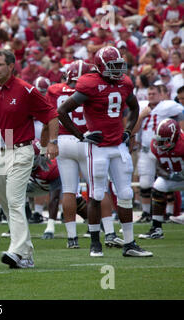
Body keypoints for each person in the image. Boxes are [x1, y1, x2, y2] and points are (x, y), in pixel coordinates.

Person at [0, 49, 59, 269]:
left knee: (15, 200)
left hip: (21, 150)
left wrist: (53, 142)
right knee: (7, 203)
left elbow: (51, 115)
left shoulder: (27, 90)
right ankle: (26, 253)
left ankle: (16, 251)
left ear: (11, 66)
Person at [58, 46, 153, 257]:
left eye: (120, 65)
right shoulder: (89, 84)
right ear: (101, 67)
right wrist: (81, 135)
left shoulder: (125, 83)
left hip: (118, 146)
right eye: (113, 66)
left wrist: (128, 131)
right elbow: (62, 111)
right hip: (98, 148)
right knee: (97, 194)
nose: (118, 70)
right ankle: (95, 243)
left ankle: (129, 244)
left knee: (126, 193)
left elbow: (135, 107)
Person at [48, 60, 124, 249]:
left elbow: (51, 116)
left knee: (68, 190)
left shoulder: (55, 90)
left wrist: (51, 141)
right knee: (98, 188)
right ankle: (110, 232)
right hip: (88, 139)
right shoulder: (92, 87)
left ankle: (72, 238)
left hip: (65, 141)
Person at [132, 85, 184, 223]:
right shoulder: (142, 106)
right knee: (145, 182)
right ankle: (146, 212)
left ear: (162, 94)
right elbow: (134, 130)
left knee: (168, 179)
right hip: (147, 148)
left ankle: (169, 213)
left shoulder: (169, 106)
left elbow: (181, 115)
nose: (151, 96)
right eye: (149, 94)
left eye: (154, 93)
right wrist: (141, 115)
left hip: (167, 150)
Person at [139, 118, 184, 238]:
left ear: (174, 137)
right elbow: (158, 166)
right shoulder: (155, 146)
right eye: (160, 141)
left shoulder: (182, 143)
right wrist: (169, 175)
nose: (160, 144)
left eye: (165, 141)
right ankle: (156, 229)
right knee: (158, 186)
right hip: (174, 176)